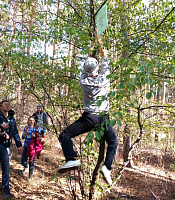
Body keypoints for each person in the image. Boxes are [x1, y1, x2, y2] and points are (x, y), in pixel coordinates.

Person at [57, 36, 118, 185]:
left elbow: (87, 62)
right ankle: (107, 168)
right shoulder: (105, 78)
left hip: (89, 118)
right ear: (98, 69)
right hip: (103, 119)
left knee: (65, 135)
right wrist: (100, 42)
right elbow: (105, 58)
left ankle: (71, 159)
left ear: (86, 69)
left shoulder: (83, 81)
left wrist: (91, 46)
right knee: (113, 142)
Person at [21, 116, 44, 182]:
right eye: (30, 120)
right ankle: (25, 166)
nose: (31, 122)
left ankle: (30, 177)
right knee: (22, 161)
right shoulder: (26, 128)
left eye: (32, 120)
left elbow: (40, 138)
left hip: (33, 148)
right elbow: (23, 137)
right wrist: (26, 131)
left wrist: (35, 135)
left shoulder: (37, 128)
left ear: (34, 121)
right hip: (26, 146)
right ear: (28, 121)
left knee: (31, 162)